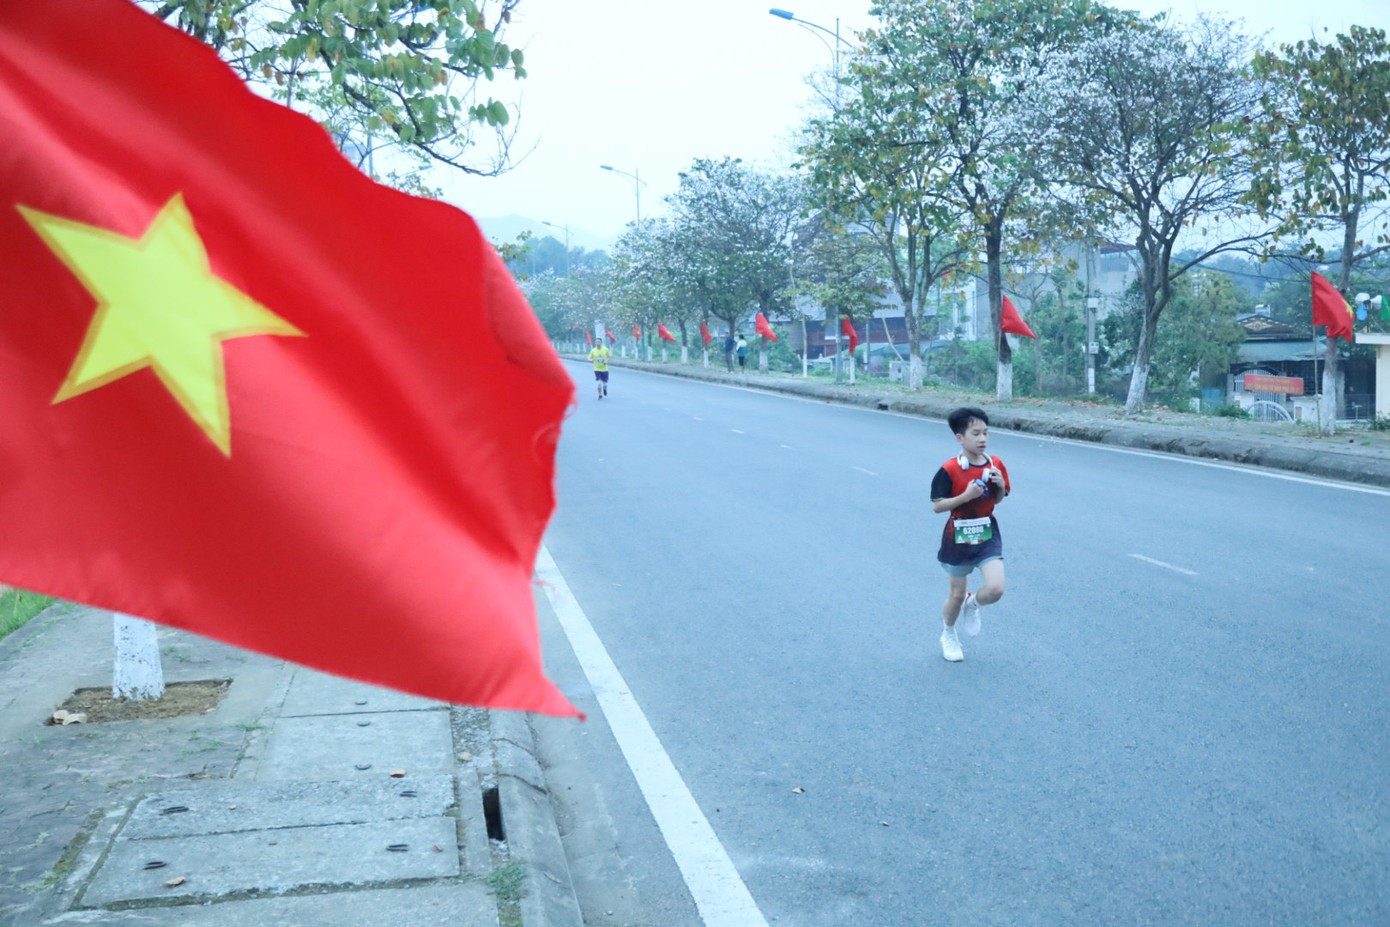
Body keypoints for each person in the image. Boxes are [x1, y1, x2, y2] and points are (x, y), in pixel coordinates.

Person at [931, 406, 1010, 662]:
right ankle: (949, 633)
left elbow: (999, 499)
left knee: (996, 589)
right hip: (958, 534)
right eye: (976, 433)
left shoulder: (995, 464)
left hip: (987, 531)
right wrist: (965, 496)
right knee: (955, 595)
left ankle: (973, 603)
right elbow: (937, 506)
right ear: (960, 438)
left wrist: (998, 487)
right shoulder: (949, 469)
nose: (983, 439)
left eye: (986, 433)